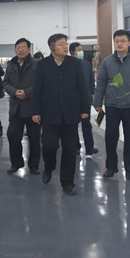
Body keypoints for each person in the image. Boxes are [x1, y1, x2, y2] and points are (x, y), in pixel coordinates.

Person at [31, 34, 90, 196]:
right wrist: (35, 111)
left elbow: (82, 87)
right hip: (49, 113)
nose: (65, 47)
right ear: (52, 47)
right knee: (49, 146)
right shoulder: (42, 65)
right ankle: (49, 167)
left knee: (70, 149)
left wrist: (85, 108)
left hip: (70, 113)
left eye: (66, 43)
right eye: (61, 44)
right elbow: (37, 89)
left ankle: (67, 182)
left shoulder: (74, 63)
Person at [94, 29, 130, 181]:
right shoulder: (107, 62)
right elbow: (101, 83)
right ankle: (111, 167)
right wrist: (98, 102)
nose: (119, 44)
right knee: (111, 137)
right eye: (117, 41)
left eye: (123, 41)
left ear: (129, 43)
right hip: (112, 105)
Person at [3, 38, 40, 175]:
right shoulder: (11, 64)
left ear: (29, 49)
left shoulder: (36, 64)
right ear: (15, 50)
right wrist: (14, 91)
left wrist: (26, 93)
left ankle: (34, 165)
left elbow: (41, 84)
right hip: (16, 108)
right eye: (18, 47)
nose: (20, 50)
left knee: (34, 138)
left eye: (23, 47)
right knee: (12, 136)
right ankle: (16, 163)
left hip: (32, 108)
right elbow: (5, 83)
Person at [69, 42, 98, 155]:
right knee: (73, 125)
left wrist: (91, 91)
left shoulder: (86, 64)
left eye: (82, 50)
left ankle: (89, 147)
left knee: (86, 124)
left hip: (85, 99)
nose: (82, 52)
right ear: (72, 52)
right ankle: (76, 146)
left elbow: (91, 79)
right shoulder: (68, 64)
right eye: (79, 50)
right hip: (73, 100)